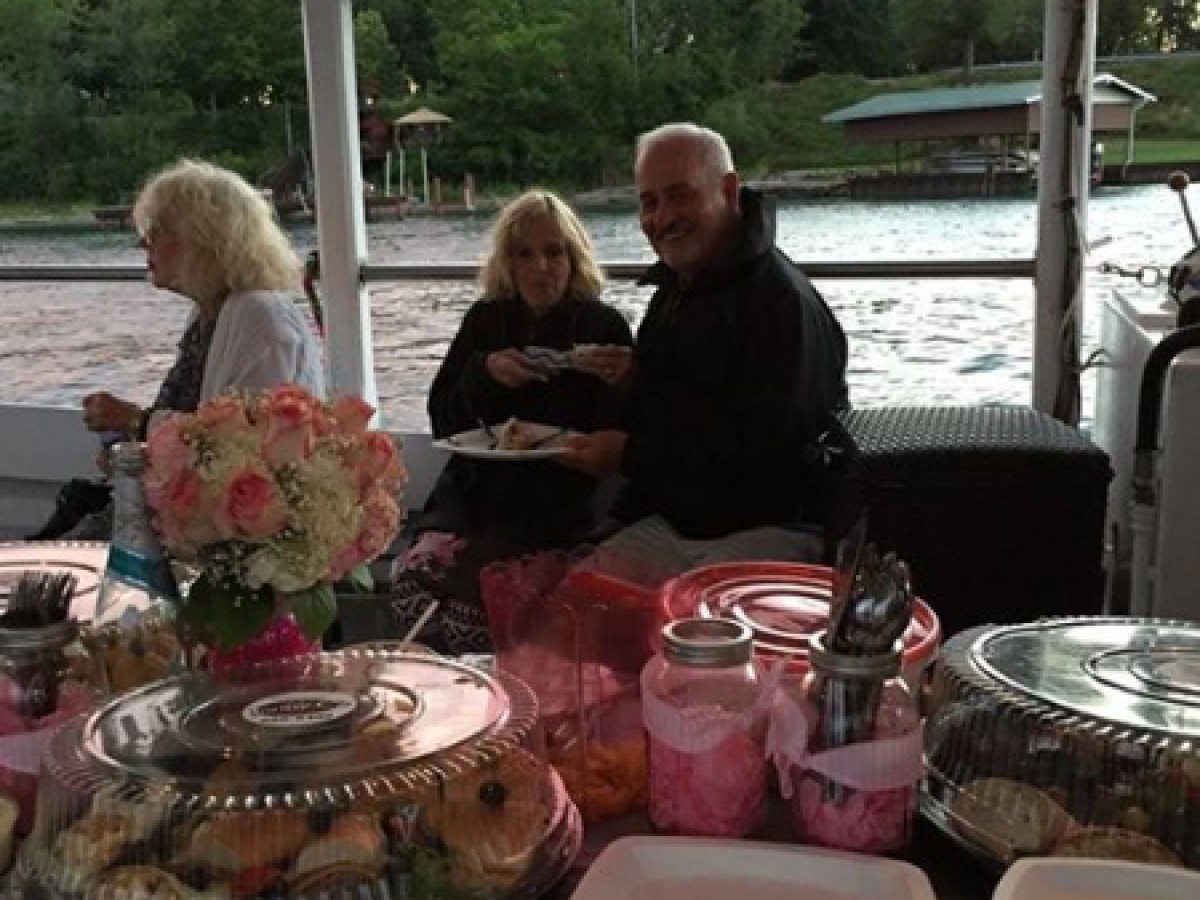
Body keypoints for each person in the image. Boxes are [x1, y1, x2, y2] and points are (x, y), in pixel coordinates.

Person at [562, 122, 850, 585]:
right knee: (571, 608)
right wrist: (638, 381)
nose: (662, 218)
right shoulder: (678, 288)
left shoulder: (781, 304)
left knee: (682, 633)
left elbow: (762, 461)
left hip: (772, 525)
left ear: (729, 191)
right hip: (681, 520)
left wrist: (629, 456)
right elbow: (688, 409)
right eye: (649, 202)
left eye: (680, 196)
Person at [390, 190, 634, 653]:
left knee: (478, 607)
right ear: (508, 264)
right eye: (525, 254)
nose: (541, 267)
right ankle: (442, 700)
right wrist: (483, 375)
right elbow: (443, 420)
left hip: (560, 508)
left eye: (554, 251)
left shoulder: (604, 329)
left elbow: (618, 440)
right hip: (471, 497)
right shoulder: (485, 321)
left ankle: (506, 709)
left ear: (574, 257)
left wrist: (621, 382)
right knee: (412, 583)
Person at [29, 159, 325, 540]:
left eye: (157, 233)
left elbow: (242, 452)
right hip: (182, 518)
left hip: (226, 539)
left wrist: (136, 422)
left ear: (204, 241)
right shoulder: (209, 315)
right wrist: (132, 454)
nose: (143, 244)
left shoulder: (259, 318)